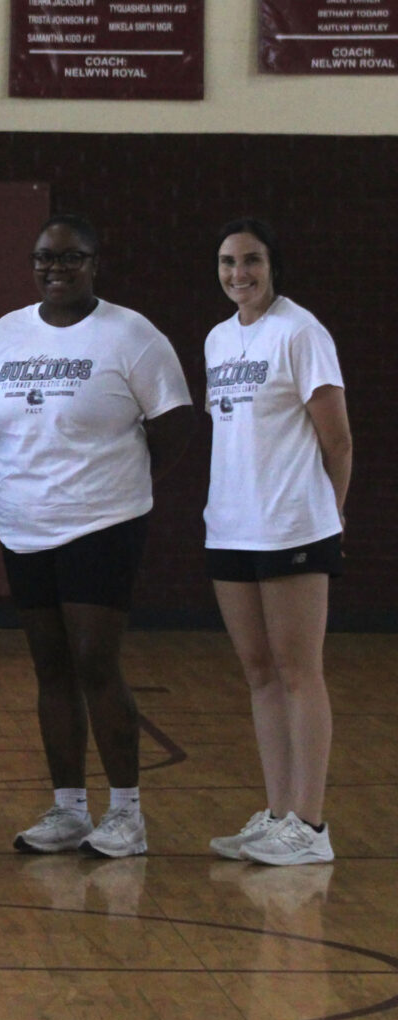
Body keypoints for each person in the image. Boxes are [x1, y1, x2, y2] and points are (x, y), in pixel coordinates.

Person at [0, 214, 193, 859]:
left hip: (103, 523)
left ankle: (126, 814)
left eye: (70, 258)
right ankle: (68, 809)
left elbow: (175, 424)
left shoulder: (131, 335)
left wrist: (115, 479)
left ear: (94, 263)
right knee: (51, 667)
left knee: (95, 662)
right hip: (23, 524)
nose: (55, 268)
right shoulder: (4, 334)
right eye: (45, 257)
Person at [201, 219, 351, 866]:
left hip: (293, 527)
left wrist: (327, 515)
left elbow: (337, 440)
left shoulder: (300, 332)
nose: (239, 273)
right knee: (259, 673)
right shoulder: (217, 339)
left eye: (251, 260)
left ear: (272, 265)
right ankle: (278, 814)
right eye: (228, 262)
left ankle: (310, 826)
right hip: (230, 526)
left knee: (298, 672)